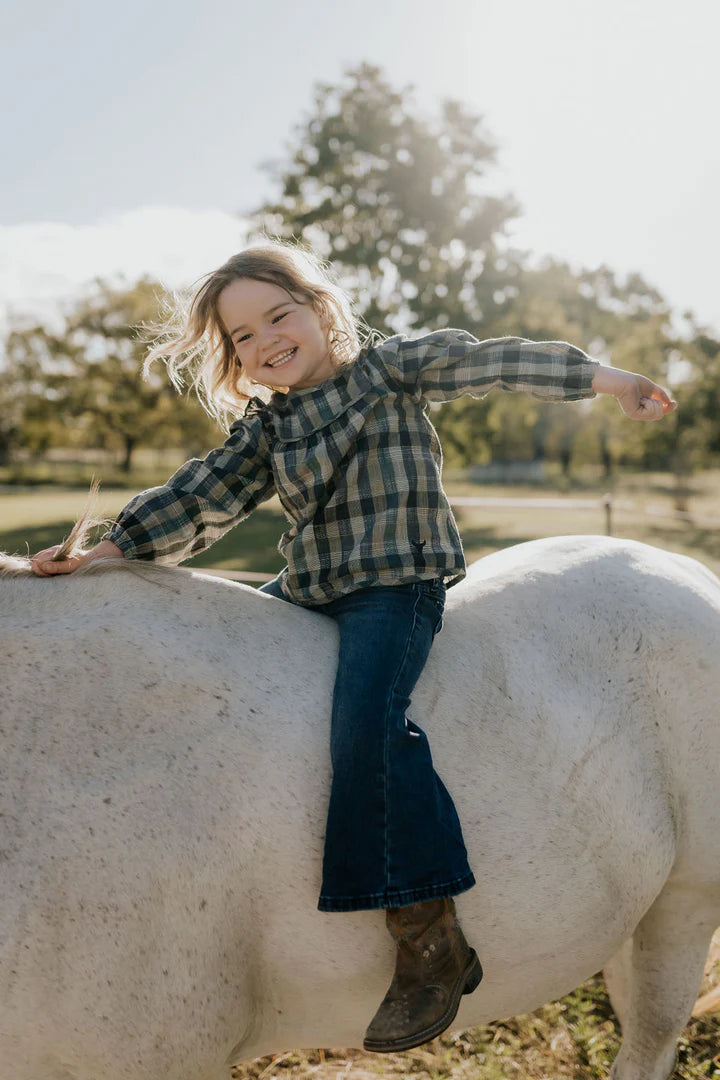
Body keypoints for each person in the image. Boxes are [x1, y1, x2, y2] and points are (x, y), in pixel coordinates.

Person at [31, 241, 677, 1052]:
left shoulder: (391, 370)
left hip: (395, 589)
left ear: (320, 308)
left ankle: (430, 935)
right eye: (241, 336)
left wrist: (608, 380)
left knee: (367, 723)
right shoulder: (268, 430)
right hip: (312, 593)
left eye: (278, 314)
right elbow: (200, 496)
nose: (264, 339)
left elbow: (493, 361)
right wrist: (109, 551)